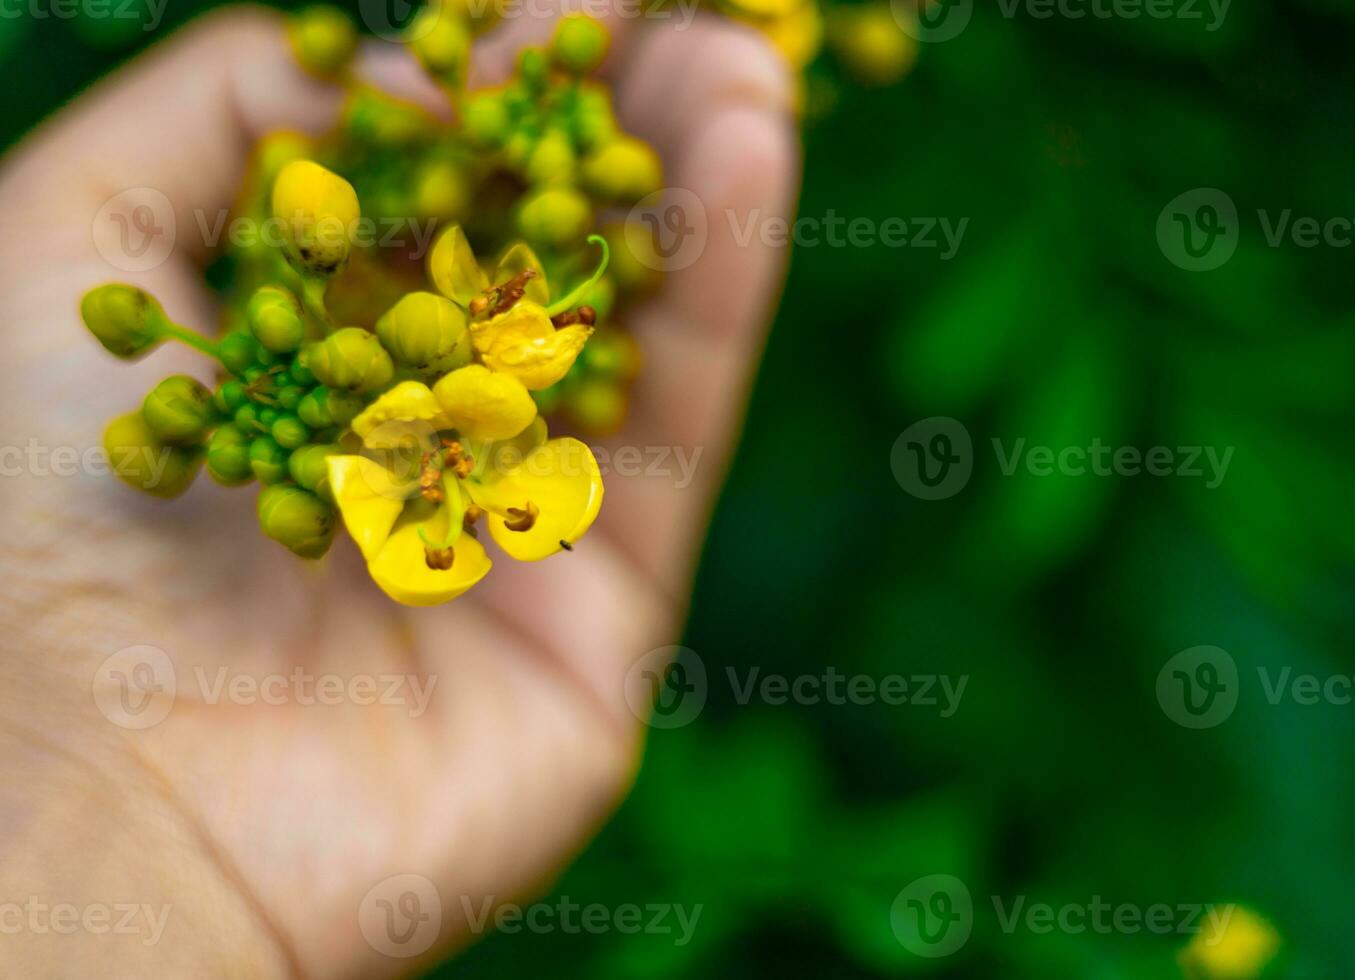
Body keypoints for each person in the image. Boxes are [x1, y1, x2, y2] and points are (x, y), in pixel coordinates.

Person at [0, 7, 794, 976]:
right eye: (439, 463)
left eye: (445, 464)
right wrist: (76, 749)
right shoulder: (361, 414)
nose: (445, 474)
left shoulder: (396, 366)